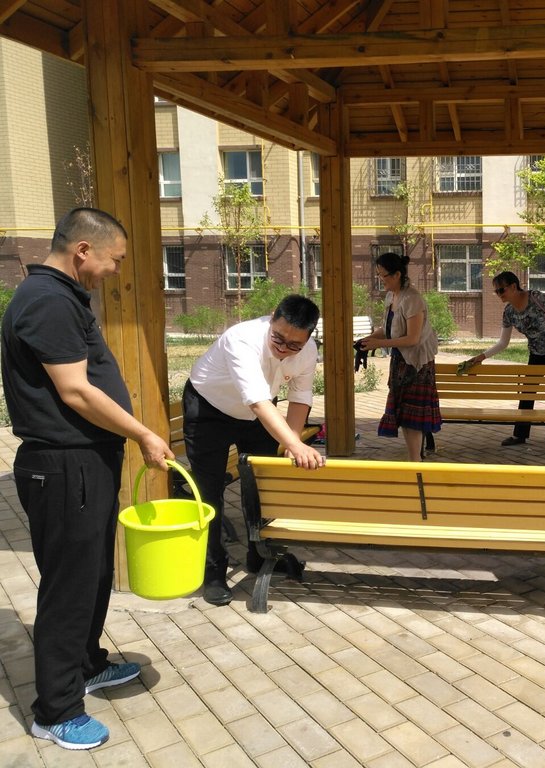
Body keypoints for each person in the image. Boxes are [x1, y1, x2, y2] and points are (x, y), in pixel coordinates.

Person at [1, 208, 175, 750]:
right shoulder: (48, 301)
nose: (115, 271)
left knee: (94, 573)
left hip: (83, 462)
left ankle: (86, 664)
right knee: (69, 586)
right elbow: (76, 391)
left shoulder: (60, 296)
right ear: (83, 250)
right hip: (63, 465)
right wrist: (143, 434)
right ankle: (55, 710)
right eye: (114, 260)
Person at [185, 294, 325, 607]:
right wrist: (294, 444)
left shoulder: (308, 351)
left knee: (261, 486)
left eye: (294, 345)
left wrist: (292, 440)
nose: (284, 348)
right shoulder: (242, 338)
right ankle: (213, 572)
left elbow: (300, 396)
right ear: (272, 316)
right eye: (279, 338)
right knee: (209, 492)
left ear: (308, 337)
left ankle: (259, 555)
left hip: (259, 412)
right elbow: (257, 400)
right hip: (209, 408)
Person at [462, 271, 545, 448]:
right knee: (527, 393)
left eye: (501, 290)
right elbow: (503, 343)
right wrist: (482, 357)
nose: (499, 294)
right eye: (496, 291)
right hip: (536, 353)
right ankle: (520, 434)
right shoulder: (509, 312)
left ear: (513, 286)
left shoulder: (535, 297)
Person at [357, 252, 441, 461]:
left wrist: (378, 344)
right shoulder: (391, 296)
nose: (380, 279)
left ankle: (415, 461)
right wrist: (366, 340)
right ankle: (414, 459)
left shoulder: (412, 299)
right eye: (378, 274)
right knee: (404, 413)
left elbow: (412, 338)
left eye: (383, 275)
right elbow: (388, 330)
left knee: (413, 417)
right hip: (400, 361)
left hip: (417, 364)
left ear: (396, 275)